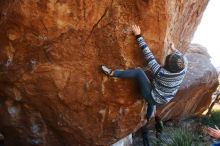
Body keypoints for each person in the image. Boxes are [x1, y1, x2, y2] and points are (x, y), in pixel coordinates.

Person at [101, 25, 188, 120]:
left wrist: (138, 35)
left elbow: (148, 55)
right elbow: (181, 57)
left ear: (167, 67)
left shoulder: (162, 73)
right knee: (153, 100)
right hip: (165, 98)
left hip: (154, 96)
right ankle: (148, 117)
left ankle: (113, 73)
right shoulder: (183, 67)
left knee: (139, 72)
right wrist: (173, 49)